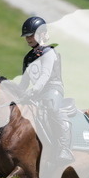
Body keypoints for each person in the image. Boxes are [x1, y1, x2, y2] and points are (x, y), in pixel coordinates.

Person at [18, 16, 74, 163]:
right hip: (37, 93)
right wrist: (16, 95)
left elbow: (45, 75)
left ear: (42, 34)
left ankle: (64, 148)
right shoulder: (28, 57)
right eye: (26, 36)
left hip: (53, 89)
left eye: (31, 35)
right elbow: (24, 81)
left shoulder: (49, 52)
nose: (28, 39)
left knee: (51, 108)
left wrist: (34, 90)